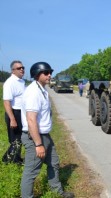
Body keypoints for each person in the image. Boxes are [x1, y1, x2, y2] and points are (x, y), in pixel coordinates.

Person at [20, 62, 74, 198]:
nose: (50, 75)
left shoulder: (42, 89)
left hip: (45, 135)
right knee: (31, 171)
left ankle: (57, 191)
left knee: (54, 163)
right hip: (35, 137)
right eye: (46, 73)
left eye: (50, 72)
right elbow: (31, 120)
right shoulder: (33, 92)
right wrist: (38, 144)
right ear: (37, 75)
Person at [2, 60, 26, 164]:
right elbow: (7, 102)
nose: (22, 69)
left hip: (21, 113)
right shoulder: (10, 83)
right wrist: (12, 119)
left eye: (22, 67)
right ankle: (7, 160)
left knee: (20, 138)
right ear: (13, 71)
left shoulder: (22, 81)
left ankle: (16, 158)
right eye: (19, 68)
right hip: (14, 113)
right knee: (15, 139)